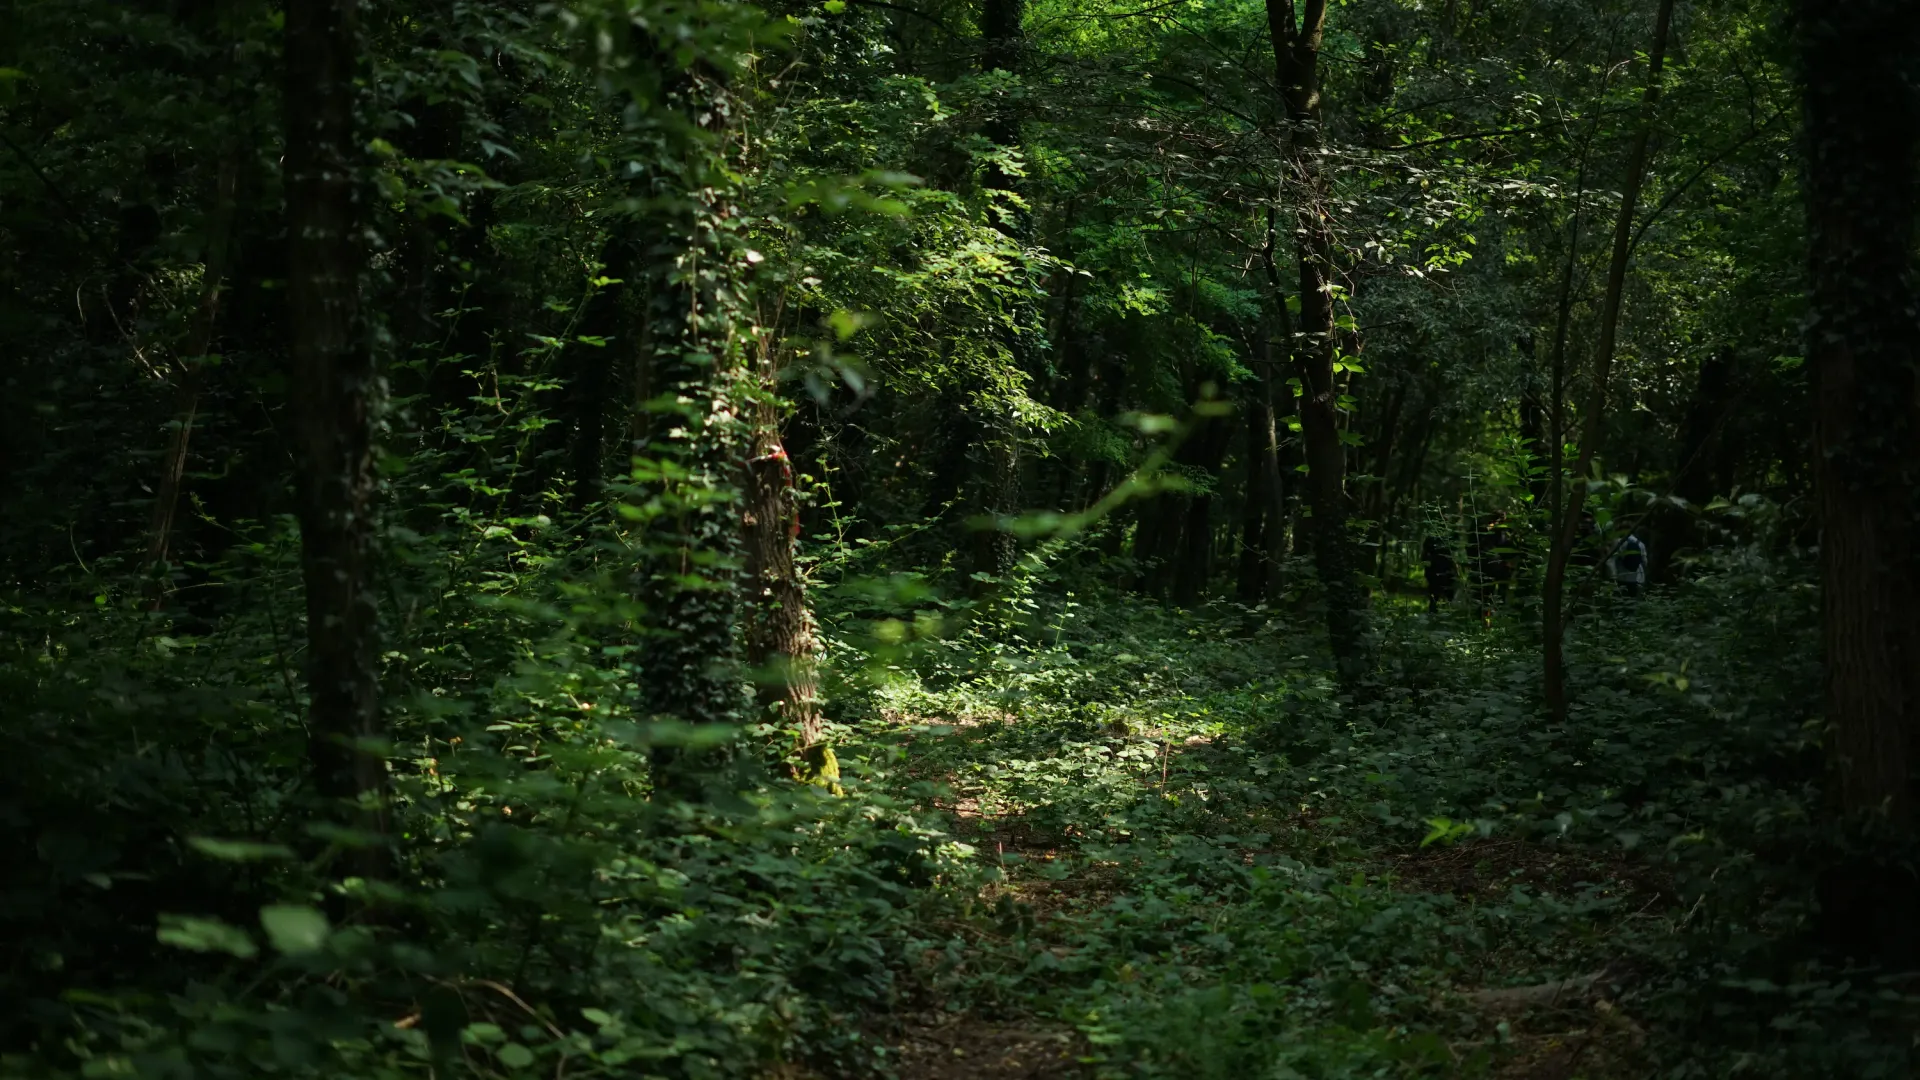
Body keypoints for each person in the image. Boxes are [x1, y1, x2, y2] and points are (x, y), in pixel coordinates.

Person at [1608, 532, 1649, 597]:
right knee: (1633, 599)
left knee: (1620, 598)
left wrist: (1613, 575)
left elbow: (1610, 560)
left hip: (1621, 577)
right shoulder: (1640, 543)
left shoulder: (1618, 542)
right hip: (1636, 578)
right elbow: (1645, 562)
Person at [1422, 535, 1456, 612]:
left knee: (1446, 592)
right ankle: (1436, 611)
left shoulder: (1446, 537)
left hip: (1443, 569)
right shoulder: (1432, 538)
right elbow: (1425, 553)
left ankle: (1447, 611)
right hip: (1436, 569)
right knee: (1435, 593)